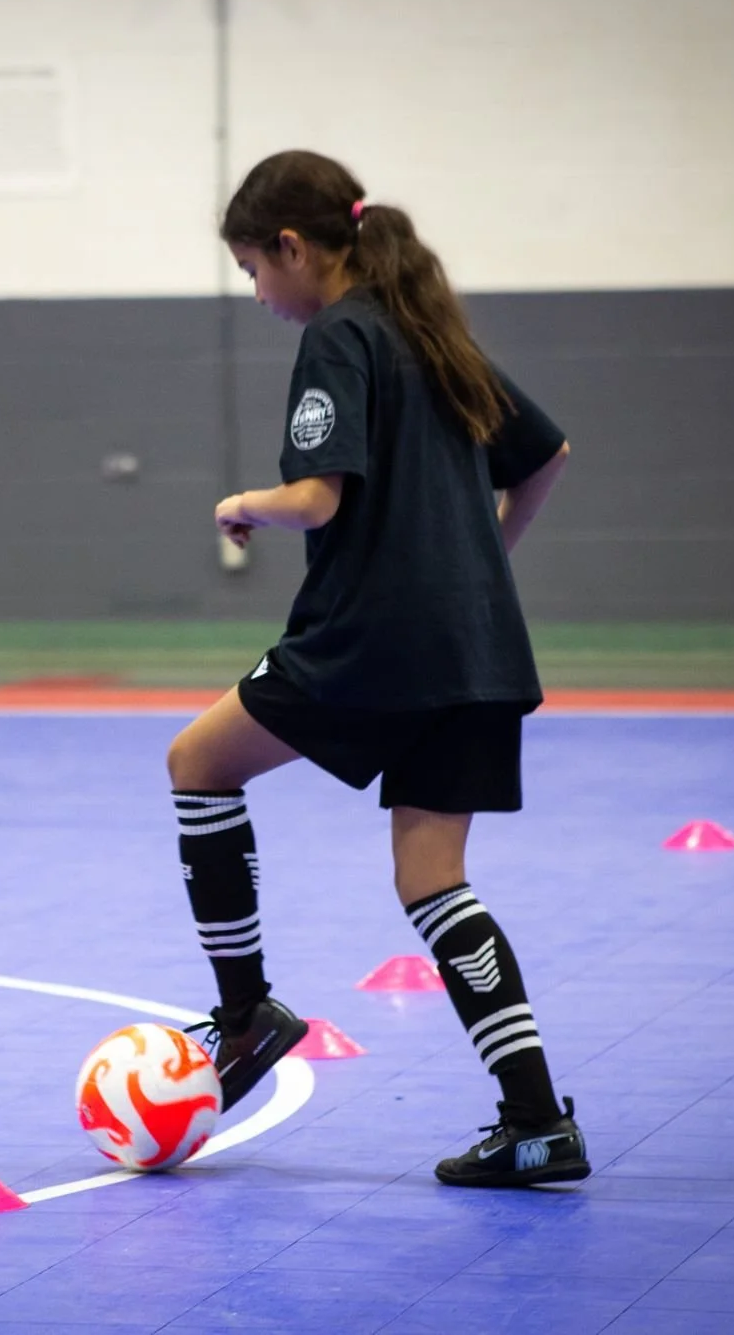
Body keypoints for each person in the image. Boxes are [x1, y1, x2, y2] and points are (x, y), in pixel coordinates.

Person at [169, 150, 583, 1187]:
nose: (259, 294)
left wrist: (241, 505)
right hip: (476, 648)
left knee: (196, 764)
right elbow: (544, 458)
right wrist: (477, 565)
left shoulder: (340, 336)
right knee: (434, 882)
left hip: (372, 641)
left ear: (293, 248)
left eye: (254, 271)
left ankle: (243, 1016)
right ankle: (536, 1124)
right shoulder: (432, 335)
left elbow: (318, 495)